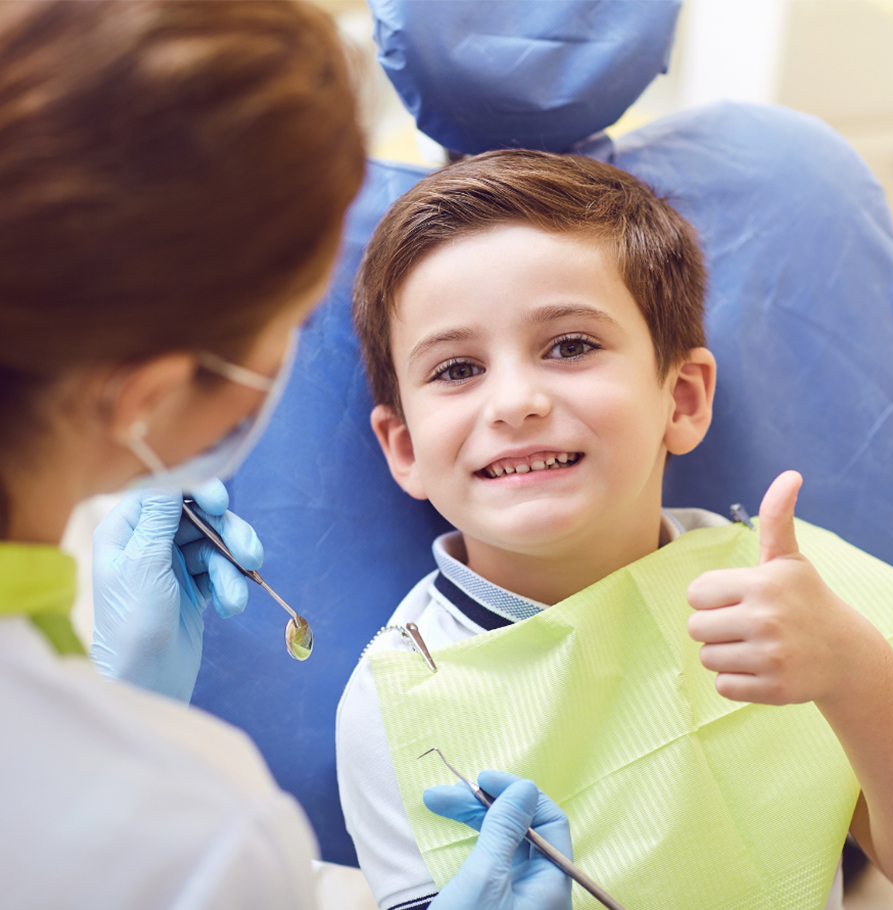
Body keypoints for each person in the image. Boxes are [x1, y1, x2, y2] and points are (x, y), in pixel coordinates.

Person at [0, 3, 573, 909]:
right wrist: (122, 736)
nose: (520, 402)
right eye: (290, 329)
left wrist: (113, 703)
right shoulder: (201, 833)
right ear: (146, 397)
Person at [338, 149, 893, 910]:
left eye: (570, 346)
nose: (515, 401)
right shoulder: (397, 703)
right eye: (457, 369)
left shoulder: (789, 596)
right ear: (405, 448)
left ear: (681, 398)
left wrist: (856, 672)